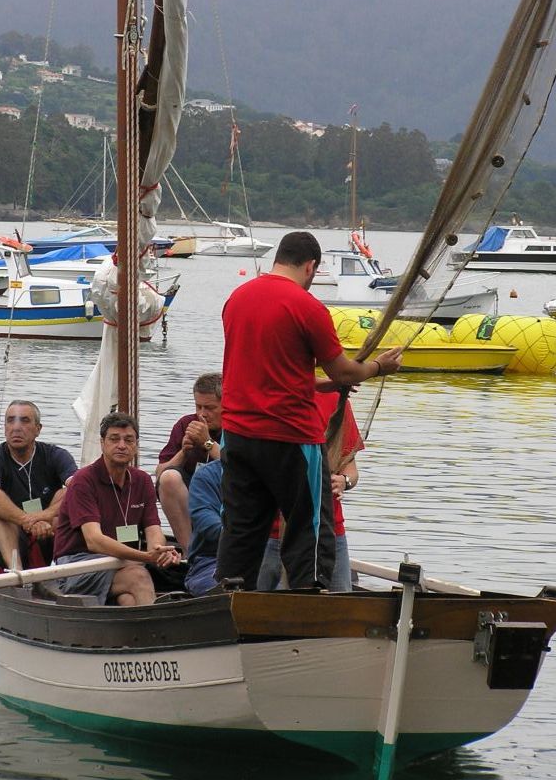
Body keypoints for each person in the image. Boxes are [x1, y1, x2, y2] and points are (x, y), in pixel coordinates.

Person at [217, 230, 401, 591]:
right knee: (309, 525)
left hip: (238, 436)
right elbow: (344, 370)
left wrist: (322, 386)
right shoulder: (307, 306)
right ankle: (309, 596)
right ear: (311, 266)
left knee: (242, 525)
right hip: (290, 437)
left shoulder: (237, 298)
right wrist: (379, 367)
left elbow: (265, 372)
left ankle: (229, 594)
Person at [53, 412, 181, 606]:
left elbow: (153, 529)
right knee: (138, 577)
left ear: (136, 446)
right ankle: (157, 633)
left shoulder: (142, 481)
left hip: (123, 561)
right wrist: (146, 557)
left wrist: (158, 550)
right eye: (114, 439)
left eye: (128, 440)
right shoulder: (83, 481)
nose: (122, 445)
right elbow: (94, 541)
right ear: (102, 443)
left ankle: (135, 634)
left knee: (129, 599)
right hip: (78, 565)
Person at [257, 391, 363, 592]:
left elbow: (351, 469)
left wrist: (344, 481)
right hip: (271, 532)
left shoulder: (335, 399)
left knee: (340, 606)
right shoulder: (268, 396)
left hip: (328, 530)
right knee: (259, 606)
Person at [0, 400, 77, 570]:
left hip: (46, 531)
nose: (16, 427)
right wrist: (26, 520)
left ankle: (66, 570)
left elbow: (79, 488)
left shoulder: (56, 455)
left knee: (65, 494)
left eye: (25, 420)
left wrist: (44, 516)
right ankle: (17, 572)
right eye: (10, 420)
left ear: (38, 429)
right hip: (6, 539)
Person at [155, 372, 223, 549]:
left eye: (210, 408)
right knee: (169, 478)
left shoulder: (235, 428)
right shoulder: (186, 424)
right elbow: (160, 473)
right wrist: (183, 452)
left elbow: (240, 466)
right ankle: (190, 550)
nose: (202, 414)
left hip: (224, 495)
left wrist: (207, 443)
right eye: (198, 407)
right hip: (191, 498)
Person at [183, 458, 224, 597]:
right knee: (224, 591)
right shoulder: (207, 475)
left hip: (269, 557)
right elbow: (206, 521)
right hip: (211, 559)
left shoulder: (274, 473)